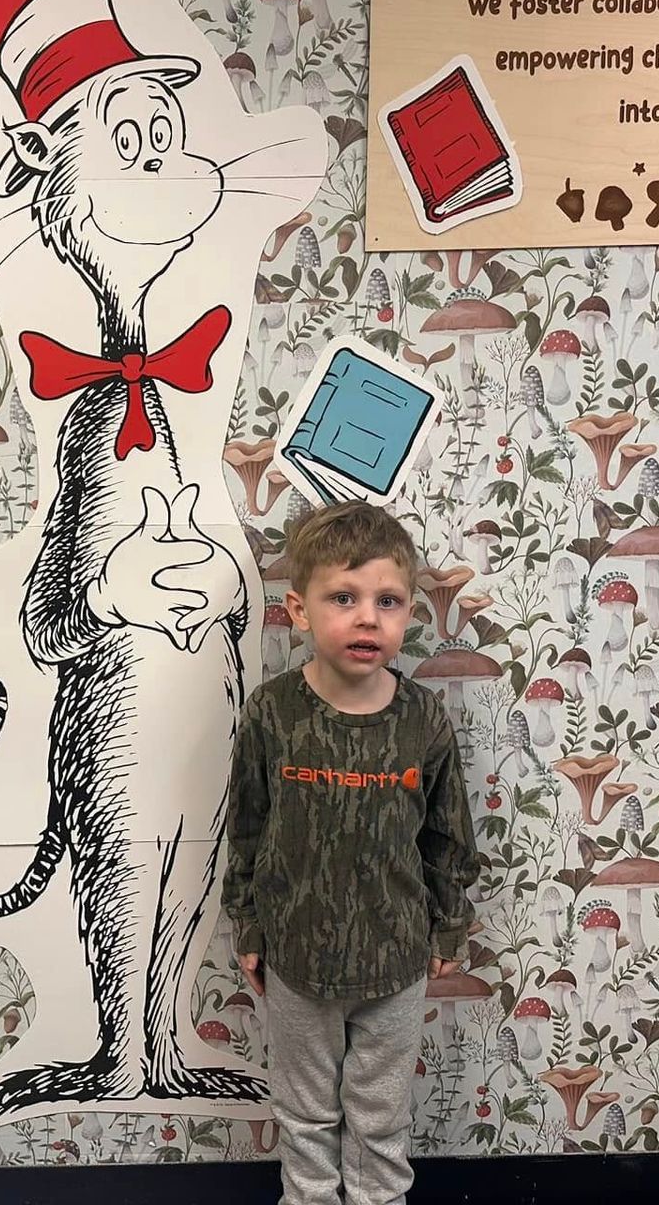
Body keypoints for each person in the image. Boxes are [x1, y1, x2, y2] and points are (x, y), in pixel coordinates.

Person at [222, 499, 480, 1205]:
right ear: (300, 612)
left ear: (408, 615)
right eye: (344, 597)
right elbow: (246, 824)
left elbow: (449, 835)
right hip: (296, 957)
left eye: (388, 601)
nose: (368, 617)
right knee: (307, 1116)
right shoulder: (273, 713)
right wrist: (248, 923)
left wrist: (448, 924)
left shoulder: (422, 719)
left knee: (380, 1117)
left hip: (396, 958)